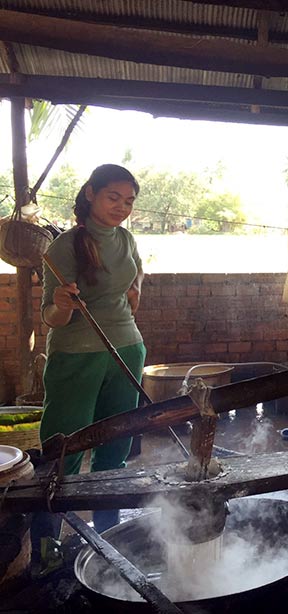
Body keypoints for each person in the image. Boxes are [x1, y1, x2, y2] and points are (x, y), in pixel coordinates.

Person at [39, 164, 145, 535]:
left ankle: (108, 533)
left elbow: (135, 280)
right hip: (77, 356)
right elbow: (52, 318)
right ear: (90, 194)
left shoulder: (126, 240)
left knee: (115, 448)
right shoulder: (63, 247)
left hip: (128, 350)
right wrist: (62, 304)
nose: (122, 207)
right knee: (63, 449)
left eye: (129, 201)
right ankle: (49, 540)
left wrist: (135, 293)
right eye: (113, 197)